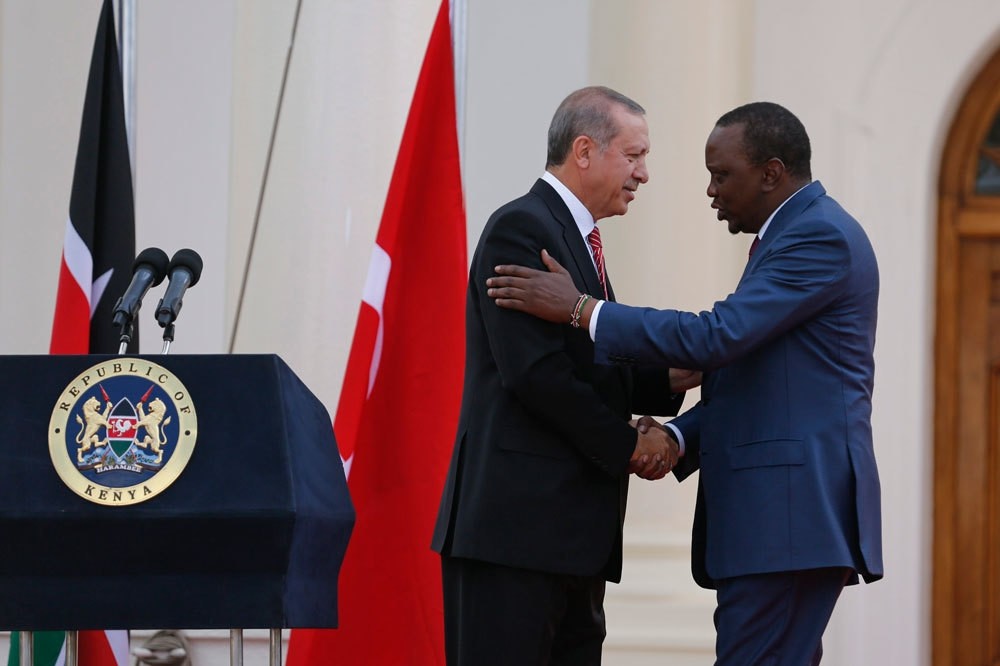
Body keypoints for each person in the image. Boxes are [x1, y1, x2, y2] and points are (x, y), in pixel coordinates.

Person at [485, 101, 883, 665]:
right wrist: (674, 437)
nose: (711, 191)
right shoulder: (792, 235)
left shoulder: (818, 236)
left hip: (788, 520)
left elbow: (718, 337)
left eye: (722, 175)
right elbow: (755, 382)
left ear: (771, 173)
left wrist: (581, 309)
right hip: (777, 526)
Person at [431, 86, 695, 666]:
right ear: (584, 150)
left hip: (569, 540)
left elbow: (589, 361)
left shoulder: (577, 238)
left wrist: (676, 374)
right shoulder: (522, 227)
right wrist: (629, 445)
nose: (644, 174)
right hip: (514, 537)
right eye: (634, 155)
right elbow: (536, 373)